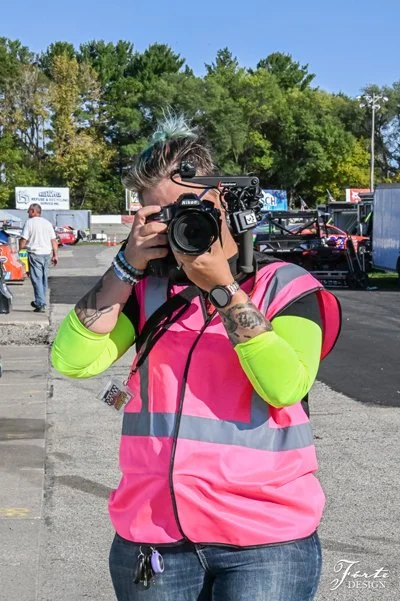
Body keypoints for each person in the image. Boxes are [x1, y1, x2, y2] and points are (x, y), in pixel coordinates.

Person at [51, 115, 341, 601]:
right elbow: (75, 360)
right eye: (156, 214)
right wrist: (126, 264)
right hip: (154, 532)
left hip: (265, 539)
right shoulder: (149, 291)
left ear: (221, 199)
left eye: (186, 209)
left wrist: (224, 289)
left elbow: (285, 386)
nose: (177, 224)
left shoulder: (284, 286)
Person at [19, 203, 58, 312]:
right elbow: (53, 241)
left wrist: (20, 250)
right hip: (46, 254)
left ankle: (40, 303)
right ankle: (41, 301)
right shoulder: (47, 223)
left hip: (35, 254)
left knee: (36, 279)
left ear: (33, 211)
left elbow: (23, 239)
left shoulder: (29, 223)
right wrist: (55, 255)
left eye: (29, 211)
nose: (27, 213)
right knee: (43, 279)